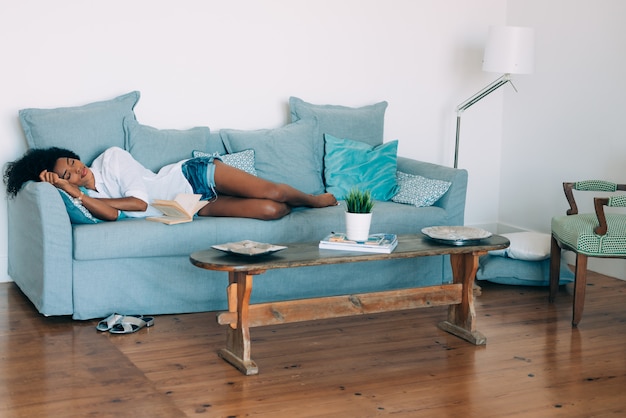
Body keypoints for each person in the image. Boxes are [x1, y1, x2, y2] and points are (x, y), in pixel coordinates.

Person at [3, 146, 337, 221]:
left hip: (191, 175)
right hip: (188, 205)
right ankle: (298, 205)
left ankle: (313, 199)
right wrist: (71, 193)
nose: (77, 172)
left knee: (274, 192)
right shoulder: (86, 196)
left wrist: (78, 191)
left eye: (73, 163)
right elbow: (111, 216)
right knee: (271, 210)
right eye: (67, 176)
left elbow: (139, 204)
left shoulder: (111, 159)